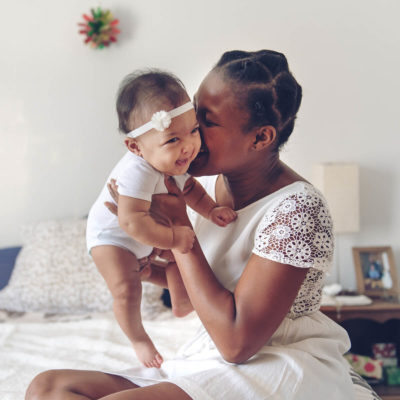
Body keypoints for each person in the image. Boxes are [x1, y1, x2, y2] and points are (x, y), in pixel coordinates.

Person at [26, 50, 355, 399]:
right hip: (207, 352)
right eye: (190, 111)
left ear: (260, 139)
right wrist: (144, 267)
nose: (185, 129)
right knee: (47, 387)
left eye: (205, 123)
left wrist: (178, 225)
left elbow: (236, 343)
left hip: (273, 360)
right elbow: (192, 296)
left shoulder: (297, 208)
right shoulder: (202, 189)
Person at [86, 70, 237, 369]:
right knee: (127, 289)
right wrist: (172, 237)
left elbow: (189, 188)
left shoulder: (174, 162)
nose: (188, 146)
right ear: (135, 147)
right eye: (172, 139)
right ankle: (139, 338)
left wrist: (209, 210)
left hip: (144, 237)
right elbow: (131, 222)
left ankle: (181, 303)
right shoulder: (136, 172)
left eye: (193, 131)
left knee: (179, 260)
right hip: (112, 238)